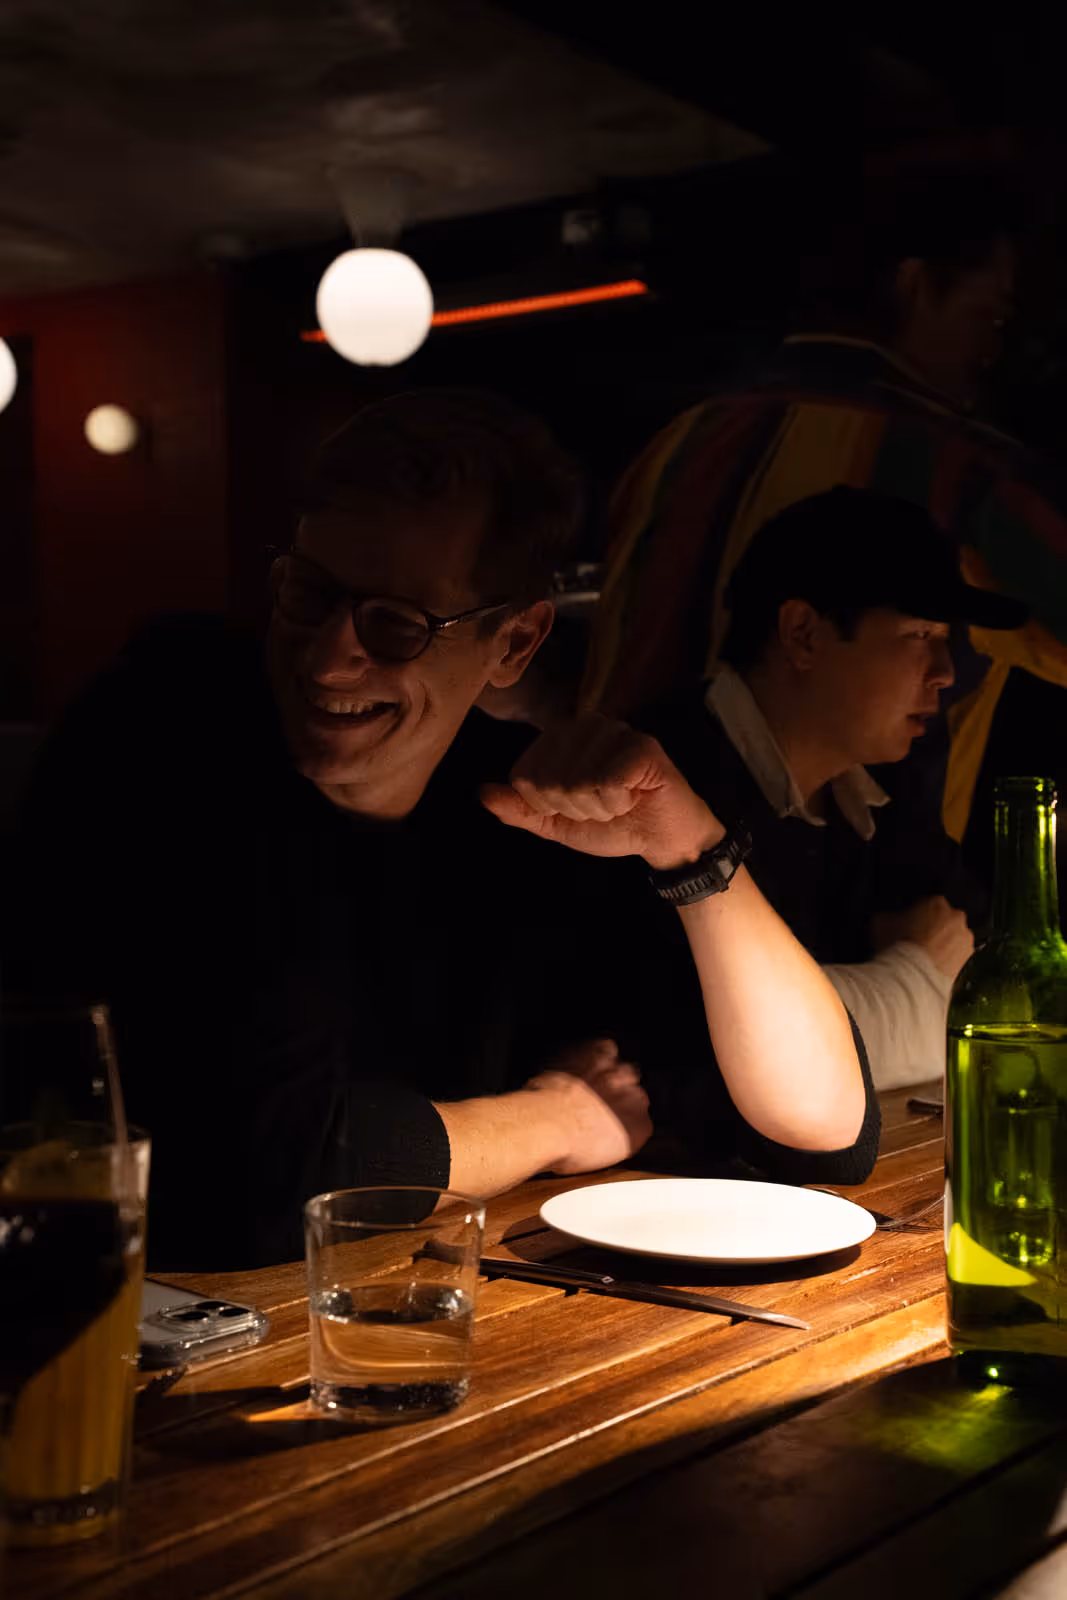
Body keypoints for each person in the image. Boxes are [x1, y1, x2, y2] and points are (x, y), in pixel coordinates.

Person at [7, 389, 877, 1271]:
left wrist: (692, 850)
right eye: (309, 593)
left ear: (513, 642)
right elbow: (255, 1186)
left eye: (395, 623)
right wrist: (551, 1120)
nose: (325, 656)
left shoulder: (515, 809)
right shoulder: (164, 736)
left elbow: (823, 1131)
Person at [581, 156, 1067, 867]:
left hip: (606, 853)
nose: (992, 350)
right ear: (912, 286)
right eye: (985, 315)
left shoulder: (677, 441)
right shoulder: (969, 474)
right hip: (845, 904)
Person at [635, 487, 1027, 1090]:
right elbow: (698, 1063)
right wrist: (912, 976)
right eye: (920, 634)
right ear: (804, 635)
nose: (946, 673)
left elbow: (1007, 989)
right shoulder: (657, 787)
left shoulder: (882, 792)